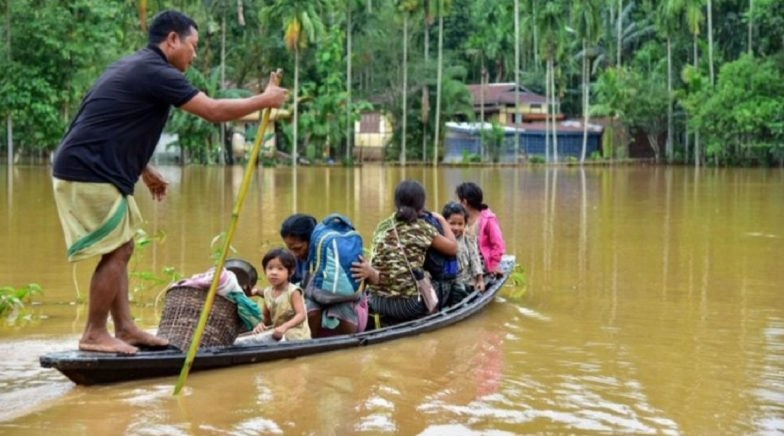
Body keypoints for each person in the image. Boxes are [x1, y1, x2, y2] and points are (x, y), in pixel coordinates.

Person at [50, 10, 288, 354]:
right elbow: (212, 111)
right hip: (88, 170)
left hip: (93, 166)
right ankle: (94, 333)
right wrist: (265, 100)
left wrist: (145, 170)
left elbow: (111, 125)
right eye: (193, 45)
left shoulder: (136, 66)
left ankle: (125, 328)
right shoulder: (156, 71)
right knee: (117, 250)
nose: (195, 54)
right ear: (173, 39)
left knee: (122, 247)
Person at [351, 180, 458, 324]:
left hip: (377, 303)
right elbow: (453, 248)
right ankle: (432, 313)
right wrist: (442, 220)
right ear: (421, 205)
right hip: (408, 306)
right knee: (446, 284)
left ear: (396, 203)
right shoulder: (423, 228)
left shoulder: (382, 226)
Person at [279, 214, 366, 337]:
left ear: (313, 240)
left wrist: (370, 273)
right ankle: (311, 341)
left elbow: (376, 283)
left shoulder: (338, 256)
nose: (294, 254)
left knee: (338, 309)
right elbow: (284, 294)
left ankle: (342, 343)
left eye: (298, 248)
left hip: (348, 317)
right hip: (313, 318)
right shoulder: (292, 263)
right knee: (310, 307)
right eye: (290, 249)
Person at [250, 248, 311, 341]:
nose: (274, 272)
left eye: (280, 269)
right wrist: (260, 325)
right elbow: (266, 317)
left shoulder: (293, 292)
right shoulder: (267, 292)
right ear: (265, 271)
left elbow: (301, 315)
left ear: (291, 272)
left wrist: (285, 327)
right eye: (270, 268)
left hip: (297, 335)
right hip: (278, 333)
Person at [455, 182, 506, 277]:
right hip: (464, 260)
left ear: (464, 202)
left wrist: (493, 265)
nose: (457, 203)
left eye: (458, 200)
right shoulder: (460, 218)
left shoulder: (488, 220)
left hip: (481, 262)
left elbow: (498, 245)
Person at [442, 201, 485, 293]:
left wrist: (480, 280)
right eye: (452, 223)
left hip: (466, 281)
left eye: (460, 224)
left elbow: (475, 258)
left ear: (465, 224)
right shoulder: (441, 240)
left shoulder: (468, 239)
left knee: (460, 290)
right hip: (447, 282)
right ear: (444, 223)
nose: (456, 228)